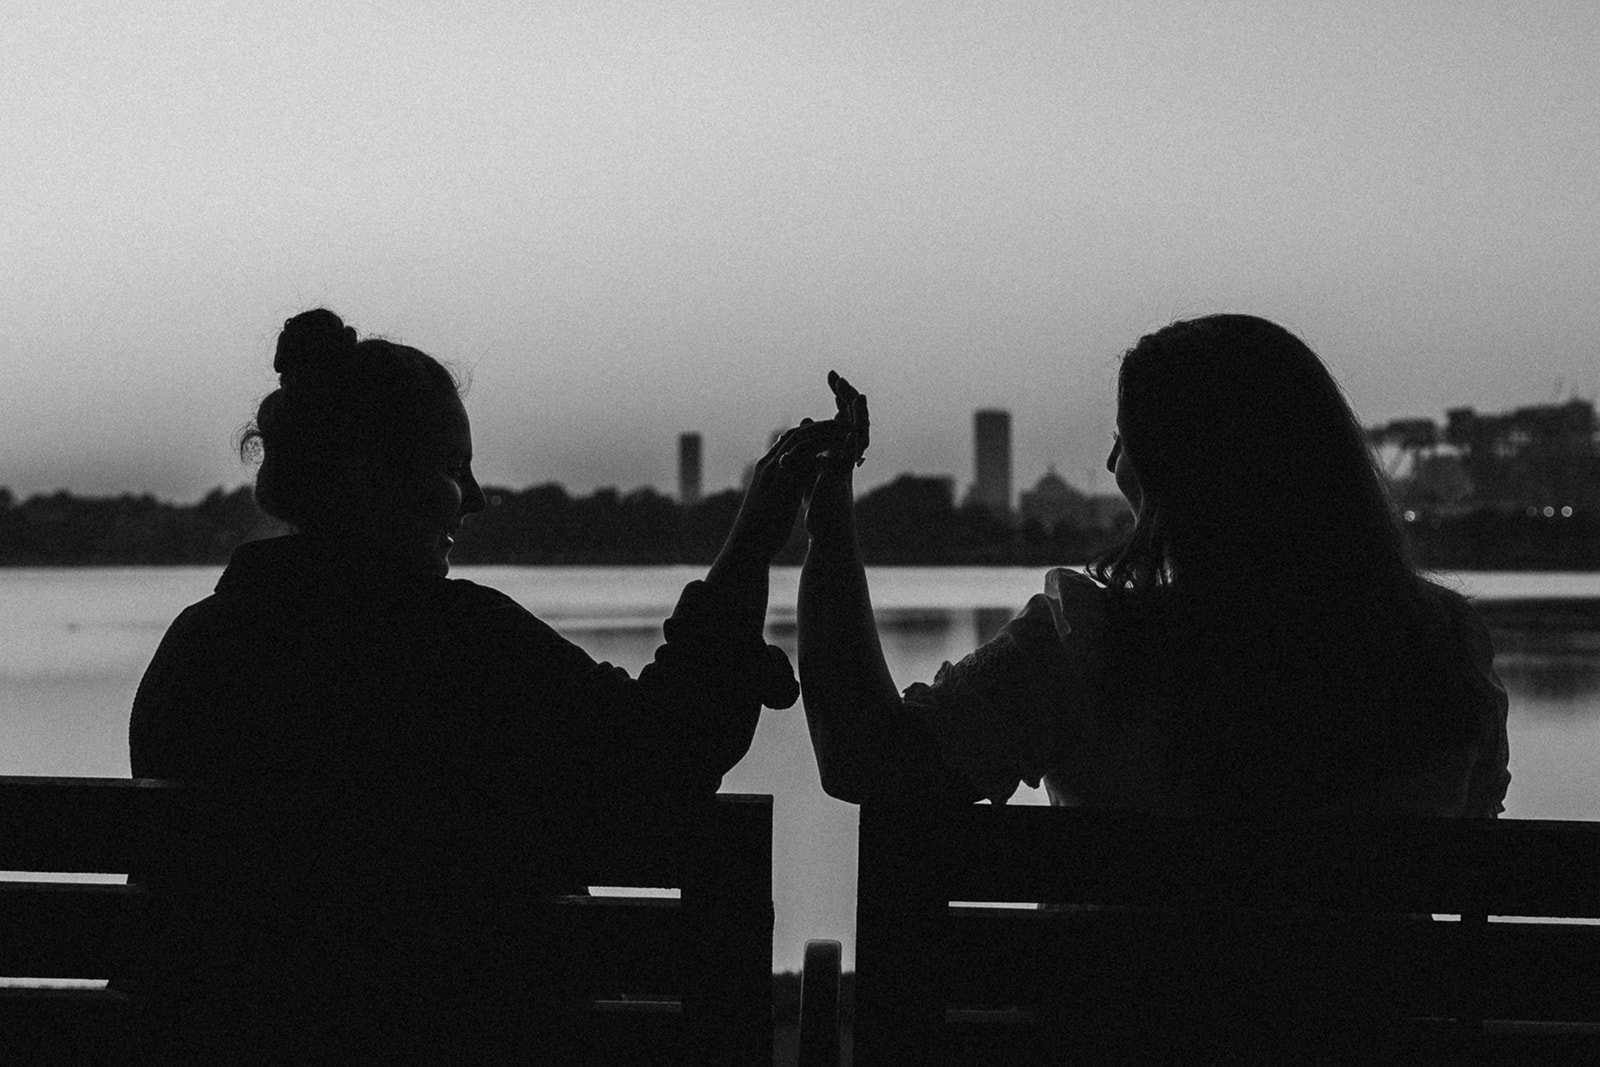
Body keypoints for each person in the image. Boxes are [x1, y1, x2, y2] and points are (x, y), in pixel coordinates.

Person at [127, 308, 844, 1061]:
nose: (474, 497)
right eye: (450, 467)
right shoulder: (461, 644)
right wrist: (758, 534)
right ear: (367, 476)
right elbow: (663, 753)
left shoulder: (196, 654)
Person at [795, 315, 1510, 817]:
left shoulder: (1087, 651)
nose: (1110, 465)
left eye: (1125, 442)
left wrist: (827, 504)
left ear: (1182, 473)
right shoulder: (1441, 649)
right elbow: (1470, 846)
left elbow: (866, 757)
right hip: (1368, 1036)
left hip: (1113, 1034)